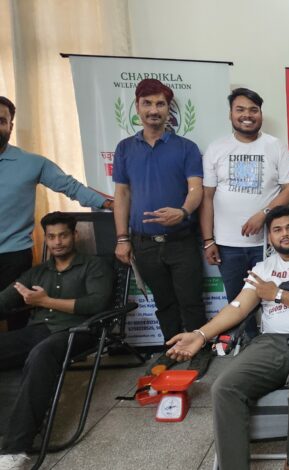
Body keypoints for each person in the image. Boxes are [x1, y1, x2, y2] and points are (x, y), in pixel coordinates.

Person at [166, 206, 289, 470]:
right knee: (224, 386)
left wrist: (278, 294)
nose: (284, 234)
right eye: (277, 230)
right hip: (271, 342)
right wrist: (200, 335)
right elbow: (238, 308)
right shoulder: (263, 268)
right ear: (270, 238)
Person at [0, 212, 114, 469]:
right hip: (37, 332)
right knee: (36, 348)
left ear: (74, 235)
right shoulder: (37, 272)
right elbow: (5, 300)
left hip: (78, 332)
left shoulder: (94, 266)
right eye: (51, 237)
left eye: (63, 235)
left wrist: (46, 301)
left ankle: (15, 449)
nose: (57, 242)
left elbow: (96, 304)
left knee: (41, 354)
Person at [112, 79, 210, 377]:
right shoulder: (125, 148)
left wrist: (182, 212)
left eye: (160, 104)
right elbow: (122, 195)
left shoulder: (186, 148)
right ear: (137, 107)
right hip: (143, 243)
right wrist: (122, 238)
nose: (154, 110)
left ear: (169, 110)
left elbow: (196, 189)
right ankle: (172, 350)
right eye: (148, 103)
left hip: (181, 240)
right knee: (164, 302)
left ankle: (198, 350)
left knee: (190, 300)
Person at [0, 96, 111, 329]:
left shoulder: (32, 163)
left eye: (1, 121)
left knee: (17, 322)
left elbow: (71, 187)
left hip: (13, 258)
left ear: (10, 125)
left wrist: (109, 204)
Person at [201, 88, 289, 338]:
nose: (247, 115)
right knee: (237, 304)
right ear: (231, 114)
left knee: (273, 300)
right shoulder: (217, 148)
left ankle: (272, 346)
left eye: (253, 110)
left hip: (268, 245)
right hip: (228, 245)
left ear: (260, 114)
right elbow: (207, 197)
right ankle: (248, 347)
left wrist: (264, 214)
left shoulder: (275, 146)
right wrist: (208, 240)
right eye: (240, 109)